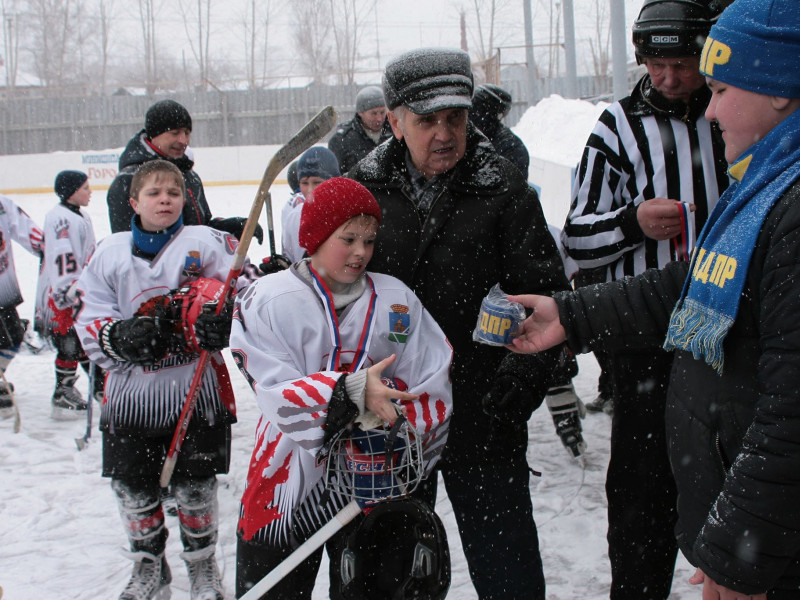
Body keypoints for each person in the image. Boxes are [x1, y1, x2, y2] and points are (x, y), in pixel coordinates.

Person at [508, 0, 800, 596]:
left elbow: (790, 413)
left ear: (777, 89)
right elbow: (695, 279)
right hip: (650, 357)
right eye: (656, 63)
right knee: (640, 504)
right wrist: (574, 310)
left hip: (765, 510)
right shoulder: (767, 173)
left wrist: (743, 548)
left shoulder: (783, 195)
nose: (708, 106)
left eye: (718, 85)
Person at [348, 47, 570, 600]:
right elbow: (328, 292)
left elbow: (547, 297)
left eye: (456, 118)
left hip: (483, 411)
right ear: (394, 121)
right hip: (391, 416)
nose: (445, 133)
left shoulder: (504, 190)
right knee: (392, 570)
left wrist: (518, 388)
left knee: (508, 570)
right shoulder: (361, 193)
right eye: (428, 121)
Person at [559, 1, 729, 596]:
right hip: (645, 342)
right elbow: (576, 236)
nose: (670, 79)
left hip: (726, 334)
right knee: (641, 491)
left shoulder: (732, 112)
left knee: (734, 477)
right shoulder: (616, 126)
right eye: (657, 65)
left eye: (682, 64)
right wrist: (632, 222)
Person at [230, 176, 453, 599]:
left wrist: (397, 421)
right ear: (314, 238)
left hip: (375, 479)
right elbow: (273, 386)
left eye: (369, 241)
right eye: (347, 238)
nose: (361, 252)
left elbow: (433, 378)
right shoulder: (269, 298)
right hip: (288, 479)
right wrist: (350, 392)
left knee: (374, 589)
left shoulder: (396, 298)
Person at [74, 160, 249, 600]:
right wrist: (115, 336)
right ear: (133, 202)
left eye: (173, 191)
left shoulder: (205, 242)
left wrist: (225, 319)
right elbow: (89, 314)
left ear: (184, 200)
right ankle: (150, 567)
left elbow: (245, 290)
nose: (165, 198)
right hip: (132, 398)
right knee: (133, 487)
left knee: (195, 486)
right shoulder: (108, 252)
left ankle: (203, 567)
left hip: (195, 391)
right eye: (154, 192)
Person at [107, 98, 262, 244]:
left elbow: (198, 228)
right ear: (154, 134)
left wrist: (230, 227)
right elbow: (127, 245)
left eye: (187, 133)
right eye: (175, 133)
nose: (183, 141)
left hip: (192, 266)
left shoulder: (189, 175)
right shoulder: (129, 180)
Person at [34, 170, 104, 420]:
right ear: (73, 191)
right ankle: (63, 391)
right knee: (70, 344)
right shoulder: (61, 219)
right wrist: (67, 293)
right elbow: (63, 259)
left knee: (84, 342)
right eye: (85, 187)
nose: (90, 192)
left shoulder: (79, 215)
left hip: (78, 290)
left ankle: (99, 386)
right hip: (63, 295)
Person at [0, 194, 43, 420]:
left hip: (3, 289)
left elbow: (27, 230)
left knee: (14, 336)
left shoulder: (2, 204)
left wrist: (48, 248)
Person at [279, 146, 341, 265]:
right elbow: (290, 260)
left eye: (317, 182)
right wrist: (281, 265)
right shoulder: (294, 217)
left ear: (333, 181)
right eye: (304, 183)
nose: (310, 190)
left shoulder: (350, 215)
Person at [327, 86, 392, 174]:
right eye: (374, 113)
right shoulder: (342, 141)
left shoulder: (397, 132)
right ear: (360, 112)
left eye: (382, 112)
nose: (379, 118)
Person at [469, 83, 529, 177]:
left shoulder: (510, 147)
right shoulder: (472, 139)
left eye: (475, 111)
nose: (469, 120)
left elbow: (512, 188)